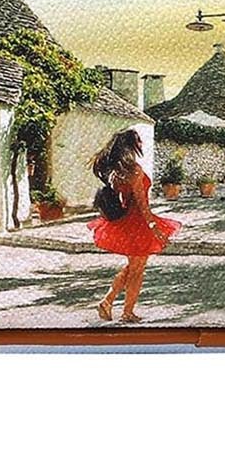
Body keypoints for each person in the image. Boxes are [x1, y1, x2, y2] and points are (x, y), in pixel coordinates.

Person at [88, 128, 176, 323]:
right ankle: (126, 312)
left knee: (132, 267)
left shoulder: (116, 173)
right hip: (138, 223)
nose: (141, 144)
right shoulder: (134, 171)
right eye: (138, 141)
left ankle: (107, 302)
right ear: (131, 145)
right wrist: (154, 227)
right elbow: (142, 204)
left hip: (127, 222)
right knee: (136, 271)